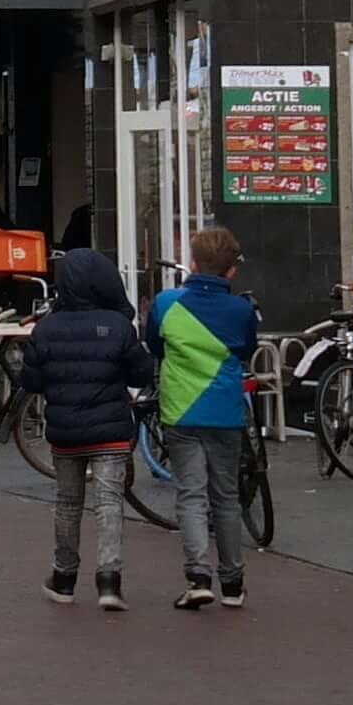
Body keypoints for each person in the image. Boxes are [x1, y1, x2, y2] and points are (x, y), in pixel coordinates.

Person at [27, 245, 156, 608]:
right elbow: (141, 372)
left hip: (65, 432)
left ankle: (64, 578)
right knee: (109, 503)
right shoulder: (117, 326)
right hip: (111, 430)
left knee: (68, 503)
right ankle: (109, 581)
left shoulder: (46, 328)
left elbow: (31, 381)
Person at [149, 222, 264, 610]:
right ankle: (233, 583)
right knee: (226, 498)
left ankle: (198, 576)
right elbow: (247, 348)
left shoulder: (166, 304)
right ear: (231, 270)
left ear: (193, 264)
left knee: (191, 496)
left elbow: (154, 345)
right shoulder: (242, 310)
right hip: (226, 413)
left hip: (180, 411)